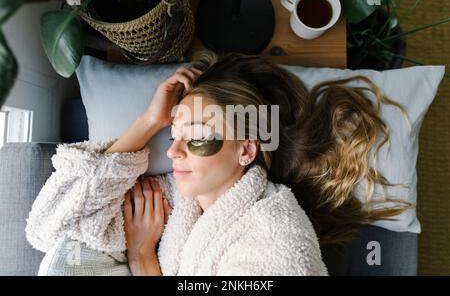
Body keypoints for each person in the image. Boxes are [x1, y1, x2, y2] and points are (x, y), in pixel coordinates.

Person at [26, 51, 409, 276]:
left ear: (246, 150)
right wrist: (148, 123)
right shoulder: (184, 199)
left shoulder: (276, 237)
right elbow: (52, 227)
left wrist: (143, 256)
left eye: (197, 136)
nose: (174, 151)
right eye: (173, 133)